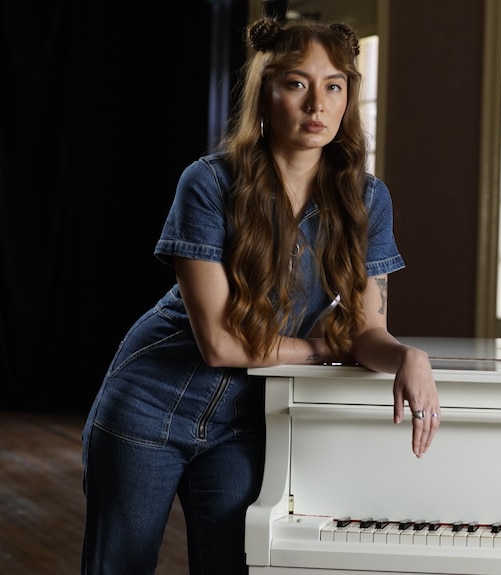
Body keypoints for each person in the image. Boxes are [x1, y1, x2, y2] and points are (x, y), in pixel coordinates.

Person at [80, 16, 441, 575]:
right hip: (150, 402)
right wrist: (326, 349)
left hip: (248, 420)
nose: (316, 103)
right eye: (296, 83)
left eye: (334, 85)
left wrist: (406, 356)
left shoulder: (368, 199)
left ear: (348, 98)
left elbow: (367, 331)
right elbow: (221, 345)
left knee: (234, 566)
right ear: (265, 93)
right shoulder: (208, 182)